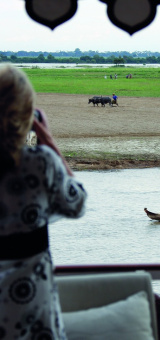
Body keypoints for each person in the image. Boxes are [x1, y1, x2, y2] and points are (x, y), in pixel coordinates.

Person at [0, 64, 87, 339]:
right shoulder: (39, 162)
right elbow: (76, 204)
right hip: (31, 300)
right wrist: (48, 141)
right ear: (27, 113)